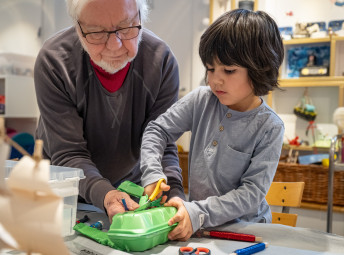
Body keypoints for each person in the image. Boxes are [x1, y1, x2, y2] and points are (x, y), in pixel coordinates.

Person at [140, 9, 285, 241]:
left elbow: (251, 194)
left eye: (229, 70)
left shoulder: (270, 127)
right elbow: (157, 130)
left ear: (261, 68)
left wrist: (198, 211)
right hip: (201, 227)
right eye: (210, 68)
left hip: (246, 232)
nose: (215, 79)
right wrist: (152, 172)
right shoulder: (201, 99)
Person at [34, 0, 185, 221]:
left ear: (141, 18)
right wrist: (106, 195)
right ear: (78, 27)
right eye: (96, 32)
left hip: (129, 193)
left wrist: (173, 193)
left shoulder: (161, 61)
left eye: (126, 28)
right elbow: (69, 153)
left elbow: (162, 144)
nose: (115, 45)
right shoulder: (54, 61)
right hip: (63, 194)